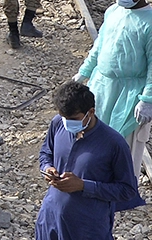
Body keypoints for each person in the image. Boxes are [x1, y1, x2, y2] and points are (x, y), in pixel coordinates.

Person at [35, 81, 144, 239]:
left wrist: (83, 185)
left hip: (87, 228)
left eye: (73, 118)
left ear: (91, 112)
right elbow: (46, 152)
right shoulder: (58, 123)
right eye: (64, 117)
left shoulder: (114, 144)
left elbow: (127, 190)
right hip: (50, 219)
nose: (68, 123)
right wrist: (47, 168)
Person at [76, 0, 152, 164]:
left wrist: (147, 99)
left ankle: (122, 192)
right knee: (95, 140)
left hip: (130, 93)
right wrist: (84, 72)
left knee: (123, 148)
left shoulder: (149, 22)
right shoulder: (112, 12)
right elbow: (100, 45)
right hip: (101, 86)